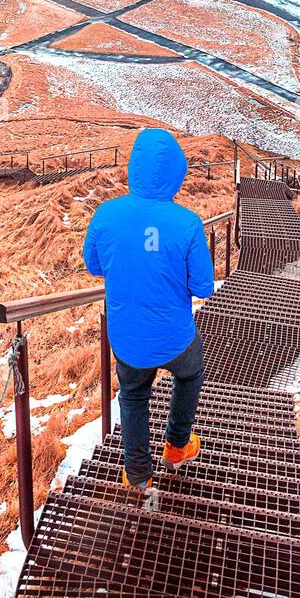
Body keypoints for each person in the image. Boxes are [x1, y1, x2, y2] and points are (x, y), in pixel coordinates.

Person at [83, 127, 214, 487]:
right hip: (175, 334)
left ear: (133, 168)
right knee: (189, 375)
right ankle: (176, 446)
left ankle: (138, 474)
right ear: (177, 171)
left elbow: (94, 265)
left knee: (134, 395)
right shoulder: (188, 223)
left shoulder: (106, 214)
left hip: (126, 336)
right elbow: (204, 286)